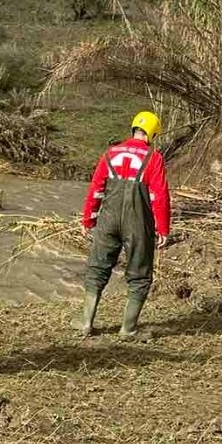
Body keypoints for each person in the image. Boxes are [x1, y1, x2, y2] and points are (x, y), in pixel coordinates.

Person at [80, 110, 171, 338]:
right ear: (152, 134)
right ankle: (128, 329)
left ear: (133, 129)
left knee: (97, 268)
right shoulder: (153, 158)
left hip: (107, 221)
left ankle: (85, 324)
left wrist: (88, 219)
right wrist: (163, 229)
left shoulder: (110, 154)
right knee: (139, 274)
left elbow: (96, 190)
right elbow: (160, 196)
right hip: (138, 223)